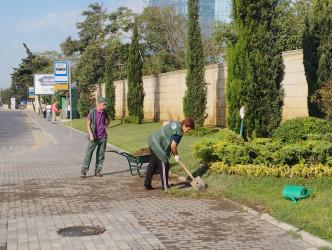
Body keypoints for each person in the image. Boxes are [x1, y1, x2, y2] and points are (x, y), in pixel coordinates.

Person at [144, 118, 195, 191]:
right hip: (158, 145)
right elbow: (173, 146)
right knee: (164, 164)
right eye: (188, 129)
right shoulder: (178, 132)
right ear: (184, 125)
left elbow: (165, 123)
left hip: (153, 140)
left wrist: (162, 135)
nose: (188, 131)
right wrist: (176, 155)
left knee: (153, 164)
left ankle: (147, 184)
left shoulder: (176, 123)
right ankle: (165, 187)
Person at [80, 97, 111, 178]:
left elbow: (109, 120)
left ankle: (97, 171)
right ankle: (83, 172)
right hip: (94, 137)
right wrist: (91, 135)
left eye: (105, 105)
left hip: (103, 136)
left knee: (101, 155)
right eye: (103, 104)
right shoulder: (92, 112)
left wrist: (106, 126)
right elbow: (88, 124)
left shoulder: (105, 112)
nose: (104, 106)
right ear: (99, 103)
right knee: (88, 154)